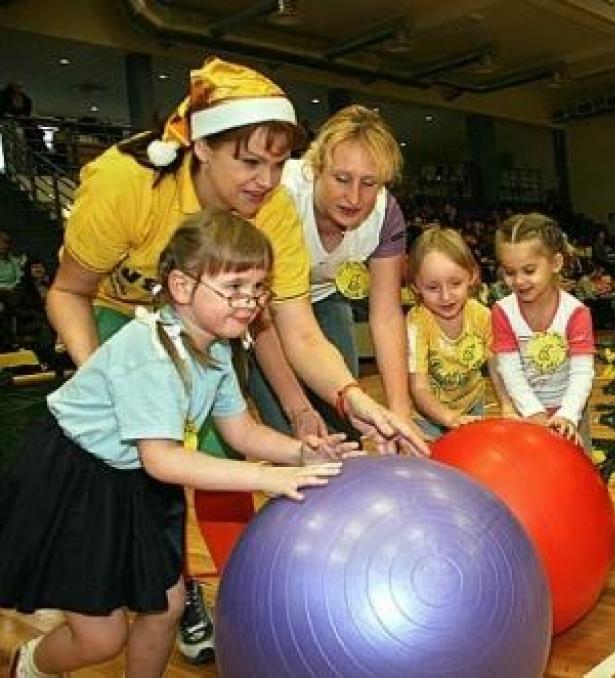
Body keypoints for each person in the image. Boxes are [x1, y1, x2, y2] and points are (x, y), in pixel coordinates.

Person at [45, 57, 426, 665]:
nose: (267, 180)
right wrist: (106, 378)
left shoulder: (270, 213)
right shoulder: (124, 184)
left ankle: (234, 591)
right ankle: (127, 586)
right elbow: (70, 292)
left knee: (219, 453)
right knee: (136, 464)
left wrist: (357, 401)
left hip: (201, 323)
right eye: (250, 162)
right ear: (200, 147)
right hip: (117, 316)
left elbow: (297, 332)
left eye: (277, 165)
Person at [1, 212, 356, 678]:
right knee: (102, 637)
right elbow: (163, 459)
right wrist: (270, 476)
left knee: (166, 608)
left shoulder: (216, 346)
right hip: (78, 480)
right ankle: (28, 666)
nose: (249, 301)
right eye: (234, 288)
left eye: (258, 288)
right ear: (182, 287)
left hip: (136, 479)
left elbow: (240, 431)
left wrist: (302, 453)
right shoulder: (150, 352)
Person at [251, 104, 412, 433]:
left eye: (369, 183)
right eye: (342, 179)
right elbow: (263, 316)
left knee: (348, 415)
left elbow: (386, 315)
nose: (354, 197)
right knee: (291, 431)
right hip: (261, 312)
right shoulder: (276, 198)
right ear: (316, 166)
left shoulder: (387, 215)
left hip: (325, 296)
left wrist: (400, 413)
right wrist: (298, 410)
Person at [491, 213, 596, 448]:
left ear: (555, 263)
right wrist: (534, 414)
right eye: (509, 272)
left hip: (570, 411)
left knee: (577, 474)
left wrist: (568, 415)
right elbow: (510, 371)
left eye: (529, 270)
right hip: (525, 411)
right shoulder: (503, 312)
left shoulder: (576, 313)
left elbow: (582, 372)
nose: (518, 281)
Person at [405, 226, 513, 438]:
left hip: (472, 406)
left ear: (471, 276)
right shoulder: (417, 323)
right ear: (416, 286)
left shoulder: (483, 316)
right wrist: (449, 417)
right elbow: (419, 389)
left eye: (455, 283)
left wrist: (507, 406)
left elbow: (497, 368)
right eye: (432, 288)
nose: (446, 297)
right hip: (426, 418)